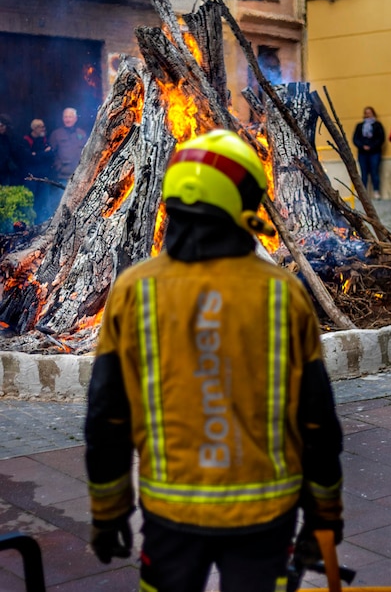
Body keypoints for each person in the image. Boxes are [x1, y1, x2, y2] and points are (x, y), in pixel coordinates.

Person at [85, 130, 344, 592]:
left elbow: (107, 417)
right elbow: (317, 422)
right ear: (240, 204)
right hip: (266, 519)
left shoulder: (133, 291)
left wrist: (109, 512)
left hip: (171, 517)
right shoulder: (282, 295)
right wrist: (325, 517)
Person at [22, 119, 55, 222]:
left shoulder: (44, 140)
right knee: (31, 202)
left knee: (43, 201)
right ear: (34, 128)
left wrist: (37, 154)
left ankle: (41, 222)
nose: (43, 129)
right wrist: (42, 154)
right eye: (41, 127)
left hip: (44, 176)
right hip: (31, 177)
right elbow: (28, 158)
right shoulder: (26, 140)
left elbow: (51, 154)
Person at [353, 106, 385, 200]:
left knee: (374, 172)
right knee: (364, 173)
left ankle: (376, 191)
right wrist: (362, 146)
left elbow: (380, 138)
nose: (368, 114)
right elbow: (355, 139)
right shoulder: (360, 126)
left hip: (374, 152)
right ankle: (364, 194)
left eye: (369, 112)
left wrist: (371, 146)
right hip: (362, 152)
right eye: (366, 112)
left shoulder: (377, 125)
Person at [50, 107, 87, 184]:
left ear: (75, 118)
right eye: (65, 117)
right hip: (62, 176)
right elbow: (51, 154)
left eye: (70, 117)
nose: (67, 120)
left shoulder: (82, 133)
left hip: (79, 175)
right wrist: (59, 167)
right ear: (62, 119)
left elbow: (87, 151)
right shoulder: (56, 134)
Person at [0, 113, 22, 186]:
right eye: (1, 126)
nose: (3, 128)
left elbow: (14, 151)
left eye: (4, 126)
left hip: (6, 171)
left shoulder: (8, 138)